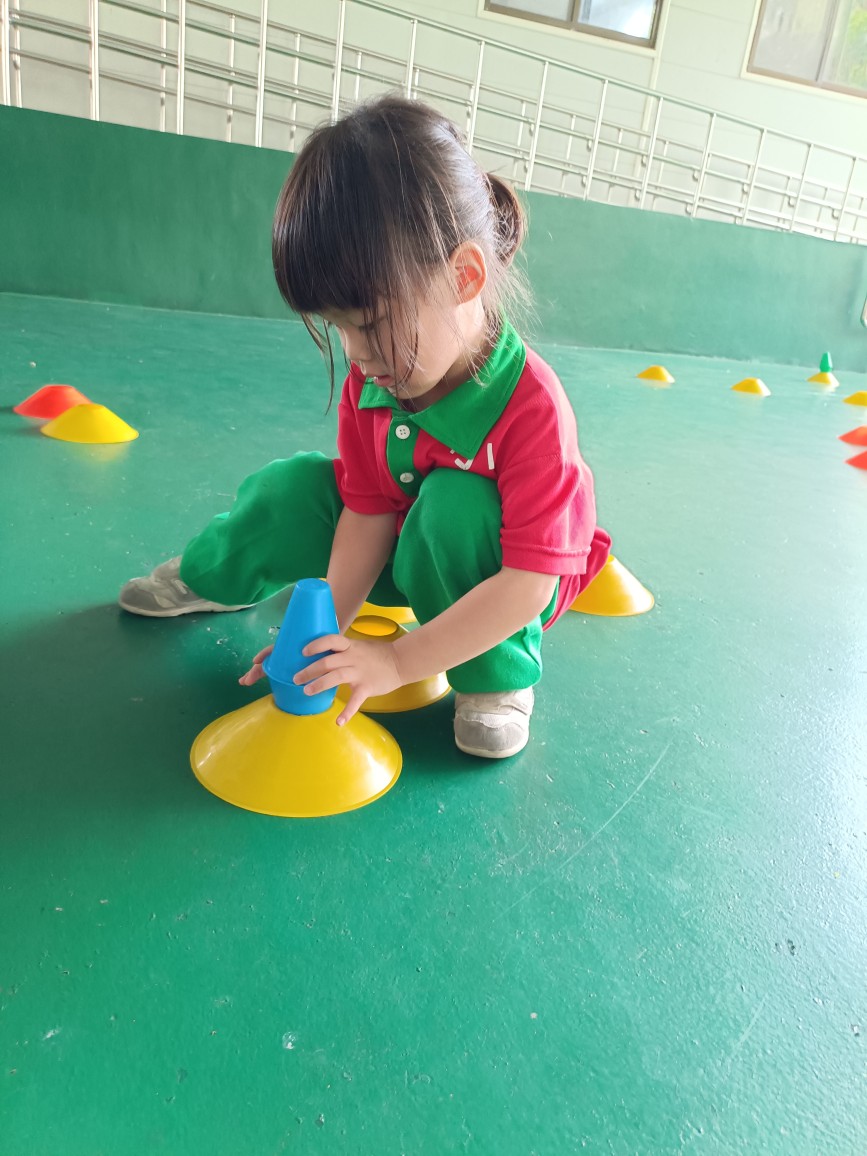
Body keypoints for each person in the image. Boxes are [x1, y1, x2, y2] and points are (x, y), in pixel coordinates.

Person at [119, 95, 611, 759]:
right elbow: (367, 511)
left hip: (498, 578)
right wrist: (322, 636)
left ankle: (496, 679)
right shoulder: (378, 378)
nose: (355, 353)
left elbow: (529, 584)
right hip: (403, 549)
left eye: (371, 323)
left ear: (464, 276)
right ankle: (212, 575)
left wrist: (397, 662)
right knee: (293, 489)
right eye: (337, 327)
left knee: (455, 506)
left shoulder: (533, 408)